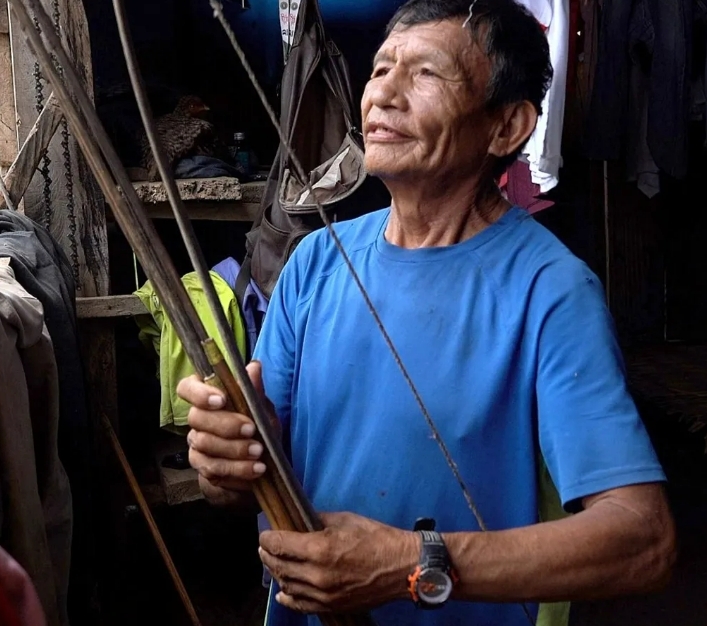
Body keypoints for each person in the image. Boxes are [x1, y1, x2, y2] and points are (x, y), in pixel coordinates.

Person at [177, 1, 676, 625]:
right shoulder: (315, 262)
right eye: (381, 68)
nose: (384, 93)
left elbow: (641, 538)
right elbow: (246, 476)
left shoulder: (551, 290)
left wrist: (411, 564)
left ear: (507, 126)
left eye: (426, 75)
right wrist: (222, 462)